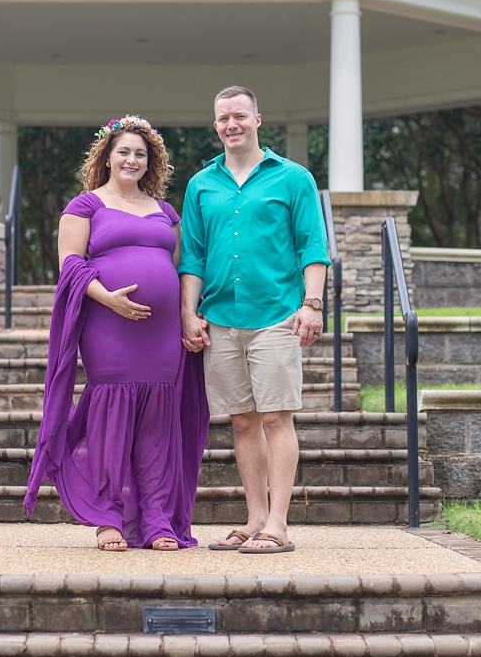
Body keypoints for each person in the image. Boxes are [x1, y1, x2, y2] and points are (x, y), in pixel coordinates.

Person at [25, 115, 210, 552]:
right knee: (111, 415)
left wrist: (188, 315)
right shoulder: (85, 205)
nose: (131, 159)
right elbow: (70, 264)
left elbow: (182, 268)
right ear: (107, 156)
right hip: (109, 326)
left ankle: (157, 519)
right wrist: (107, 298)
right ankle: (108, 516)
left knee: (157, 422)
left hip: (162, 333)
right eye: (123, 151)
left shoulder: (165, 211)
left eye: (140, 154)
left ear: (152, 163)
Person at [179, 86, 330, 554]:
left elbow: (313, 246)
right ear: (216, 125)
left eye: (239, 115)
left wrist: (312, 303)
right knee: (242, 422)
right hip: (221, 318)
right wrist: (189, 312)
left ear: (258, 120)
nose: (231, 124)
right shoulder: (201, 184)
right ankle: (255, 519)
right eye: (223, 118)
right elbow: (193, 257)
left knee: (276, 418)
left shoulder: (293, 178)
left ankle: (279, 525)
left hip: (276, 317)